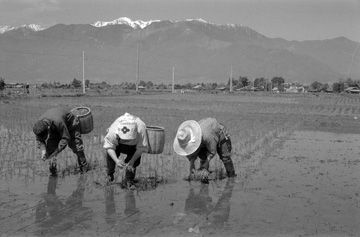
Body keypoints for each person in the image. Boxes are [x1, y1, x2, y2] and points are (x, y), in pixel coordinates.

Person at [173, 118, 236, 183]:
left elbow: (212, 151)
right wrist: (192, 165)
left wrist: (207, 162)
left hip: (219, 133)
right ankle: (203, 177)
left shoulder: (207, 136)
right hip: (204, 138)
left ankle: (231, 177)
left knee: (225, 157)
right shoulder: (189, 135)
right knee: (203, 156)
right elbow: (192, 152)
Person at [32, 107, 89, 175]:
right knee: (50, 150)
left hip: (70, 124)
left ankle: (84, 169)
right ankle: (53, 172)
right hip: (54, 127)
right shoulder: (39, 125)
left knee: (77, 147)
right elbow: (39, 139)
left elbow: (66, 138)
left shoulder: (58, 122)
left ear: (48, 128)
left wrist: (57, 151)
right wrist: (43, 151)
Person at [103, 112, 148, 187]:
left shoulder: (141, 128)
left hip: (134, 146)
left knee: (133, 162)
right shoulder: (113, 131)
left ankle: (129, 180)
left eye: (128, 140)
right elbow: (109, 146)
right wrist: (116, 160)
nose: (126, 141)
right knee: (110, 157)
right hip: (118, 144)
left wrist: (132, 161)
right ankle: (109, 175)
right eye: (125, 140)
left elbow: (140, 148)